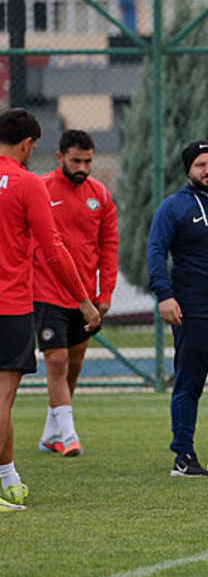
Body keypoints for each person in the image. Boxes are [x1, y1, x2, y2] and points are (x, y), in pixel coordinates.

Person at [0, 109, 100, 512]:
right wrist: (84, 299)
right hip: (10, 305)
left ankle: (8, 477)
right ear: (28, 145)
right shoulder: (27, 183)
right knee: (3, 398)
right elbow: (53, 250)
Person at [147, 141, 208, 477]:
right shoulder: (173, 207)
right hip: (193, 314)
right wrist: (164, 295)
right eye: (201, 165)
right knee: (189, 384)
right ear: (188, 170)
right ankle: (183, 454)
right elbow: (156, 251)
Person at [31, 130, 117, 458]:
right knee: (56, 360)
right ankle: (69, 435)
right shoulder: (40, 188)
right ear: (60, 157)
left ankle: (50, 434)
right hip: (45, 291)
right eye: (75, 161)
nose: (82, 167)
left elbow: (109, 246)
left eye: (87, 161)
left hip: (85, 297)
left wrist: (105, 291)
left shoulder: (101, 195)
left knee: (74, 364)